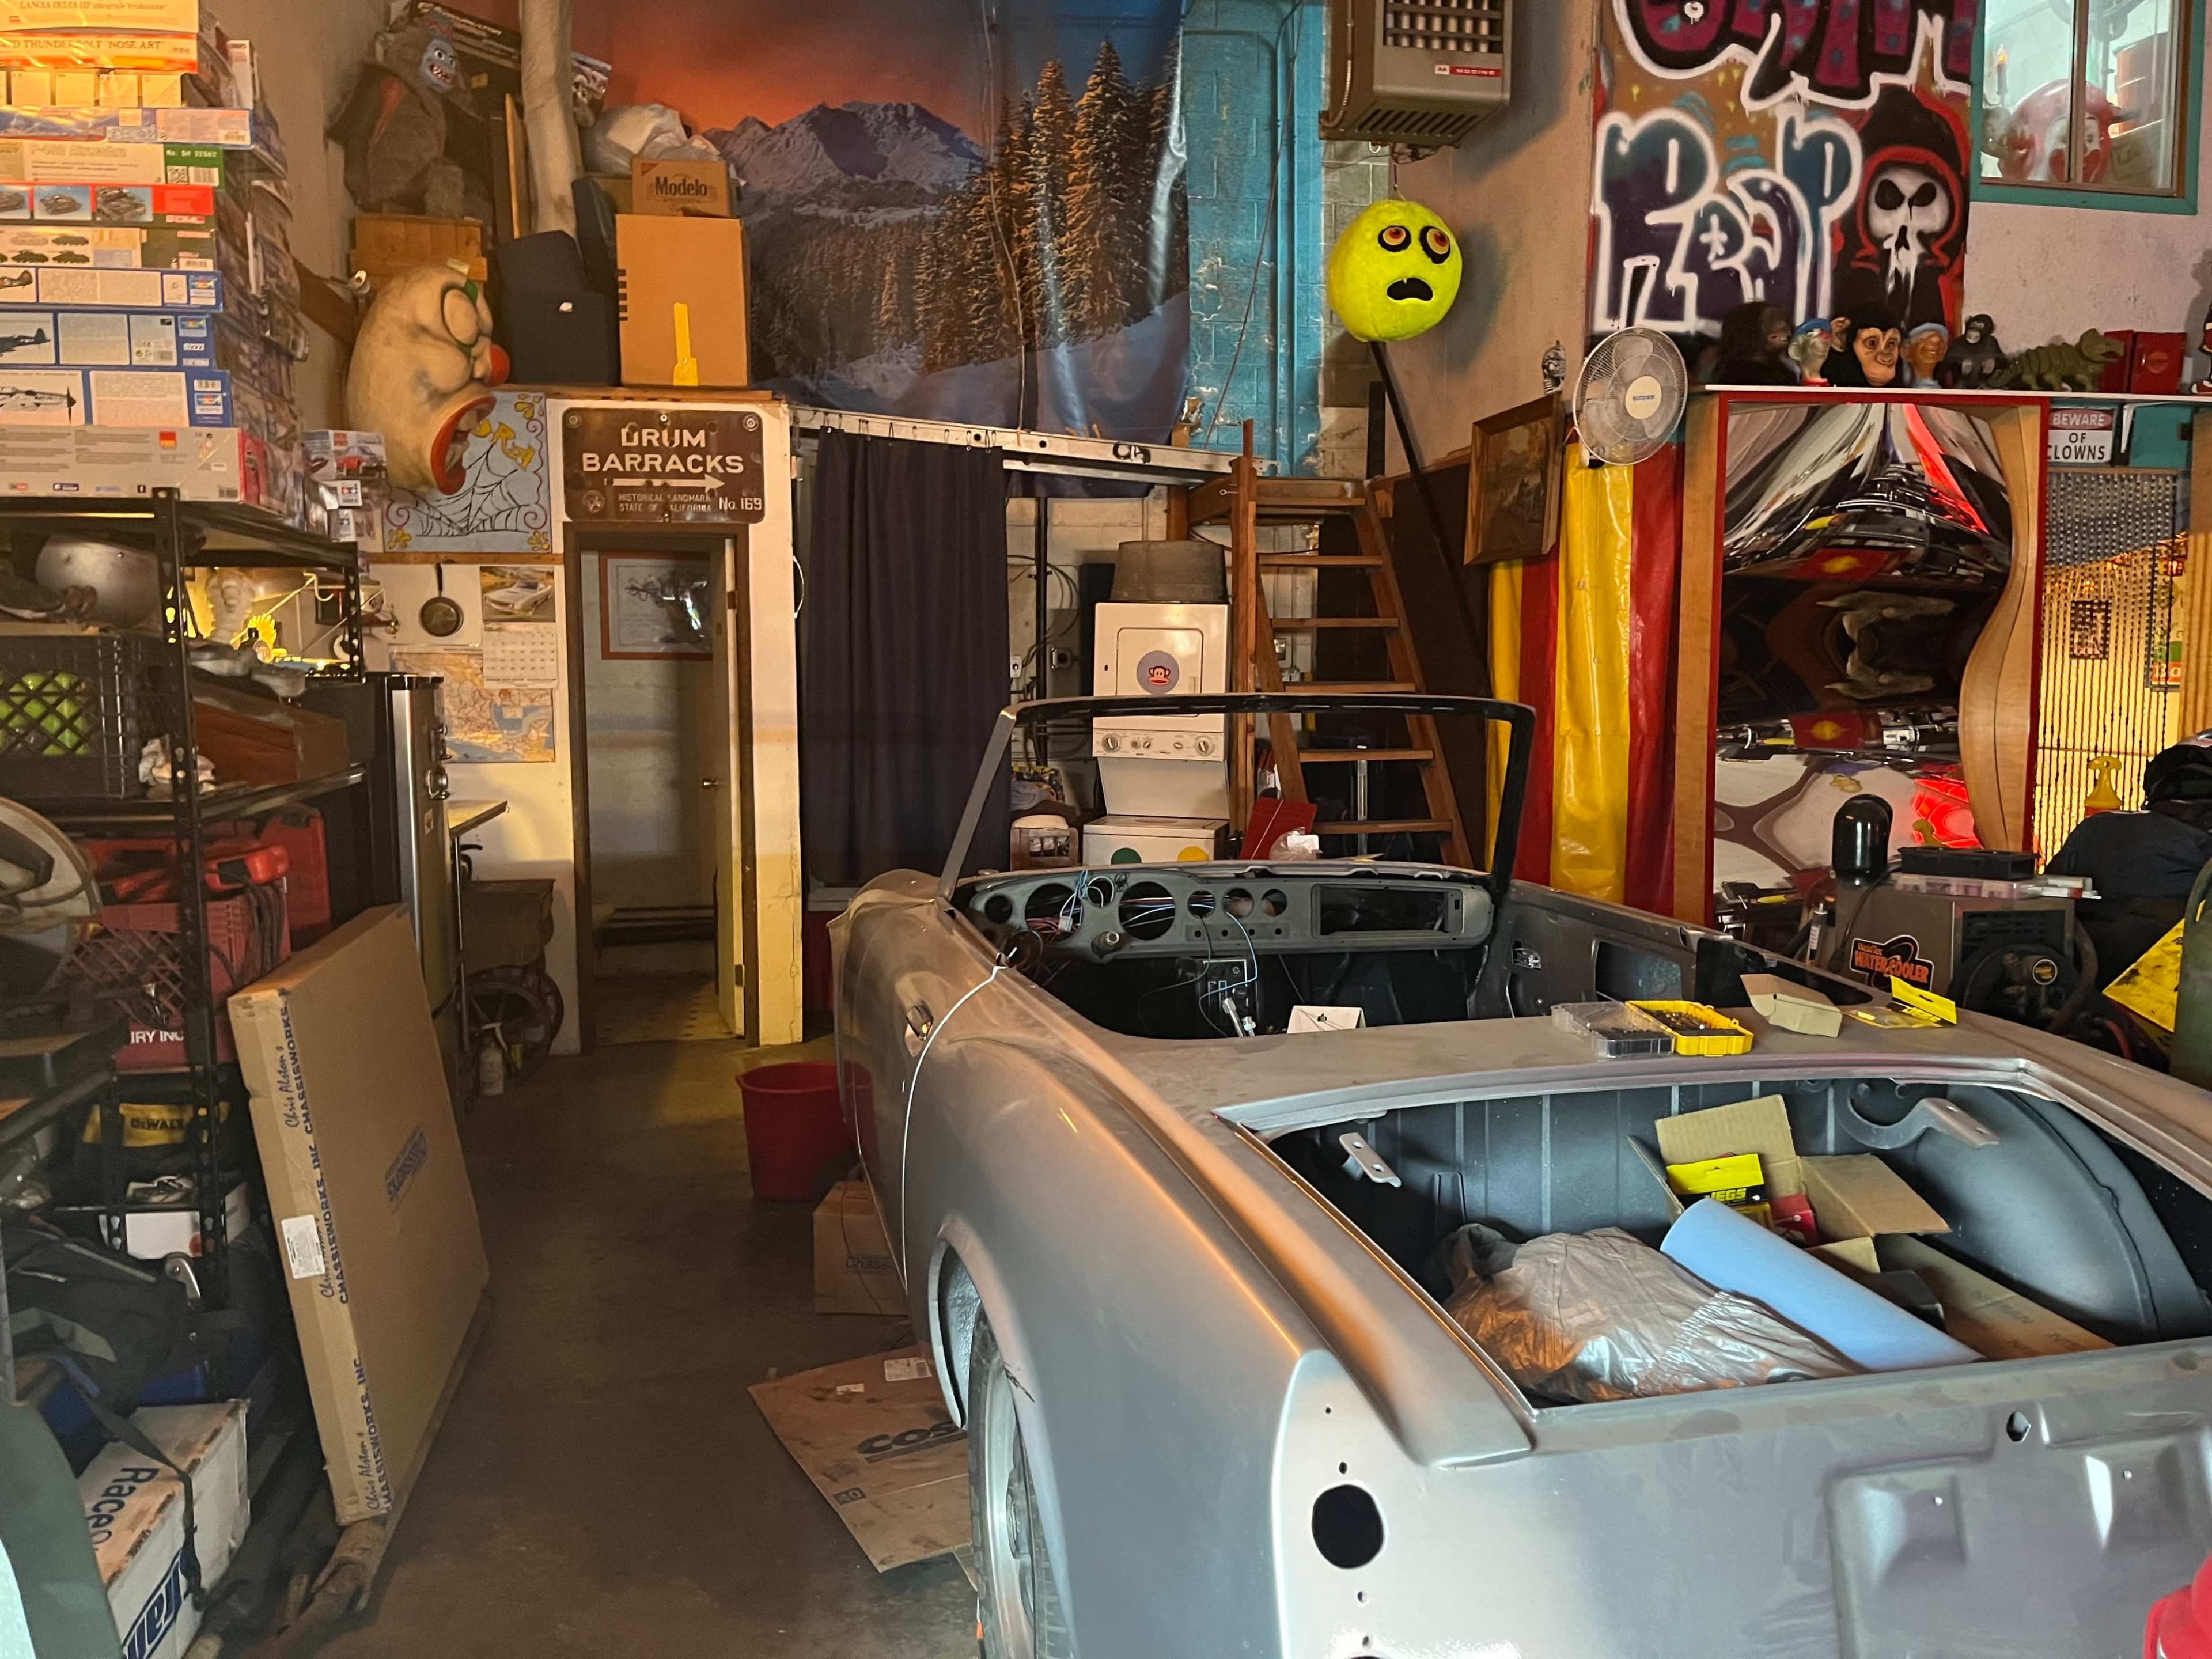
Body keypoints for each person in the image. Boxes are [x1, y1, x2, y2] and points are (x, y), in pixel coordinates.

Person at [2044, 741, 2212, 986]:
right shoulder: (2201, 850)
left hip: (2072, 983)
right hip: (2164, 996)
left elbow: (2049, 894)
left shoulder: (2095, 829)